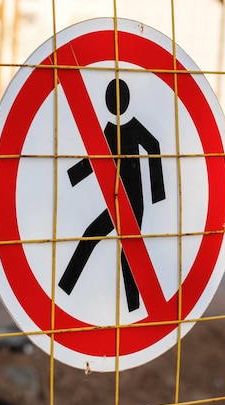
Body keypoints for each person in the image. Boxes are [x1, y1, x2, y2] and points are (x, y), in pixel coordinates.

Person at [58, 79, 165, 312]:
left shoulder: (134, 127)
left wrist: (158, 193)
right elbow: (93, 161)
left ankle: (134, 308)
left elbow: (154, 146)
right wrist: (70, 176)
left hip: (133, 203)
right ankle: (64, 291)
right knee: (99, 239)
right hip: (115, 200)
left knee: (127, 253)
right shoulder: (108, 131)